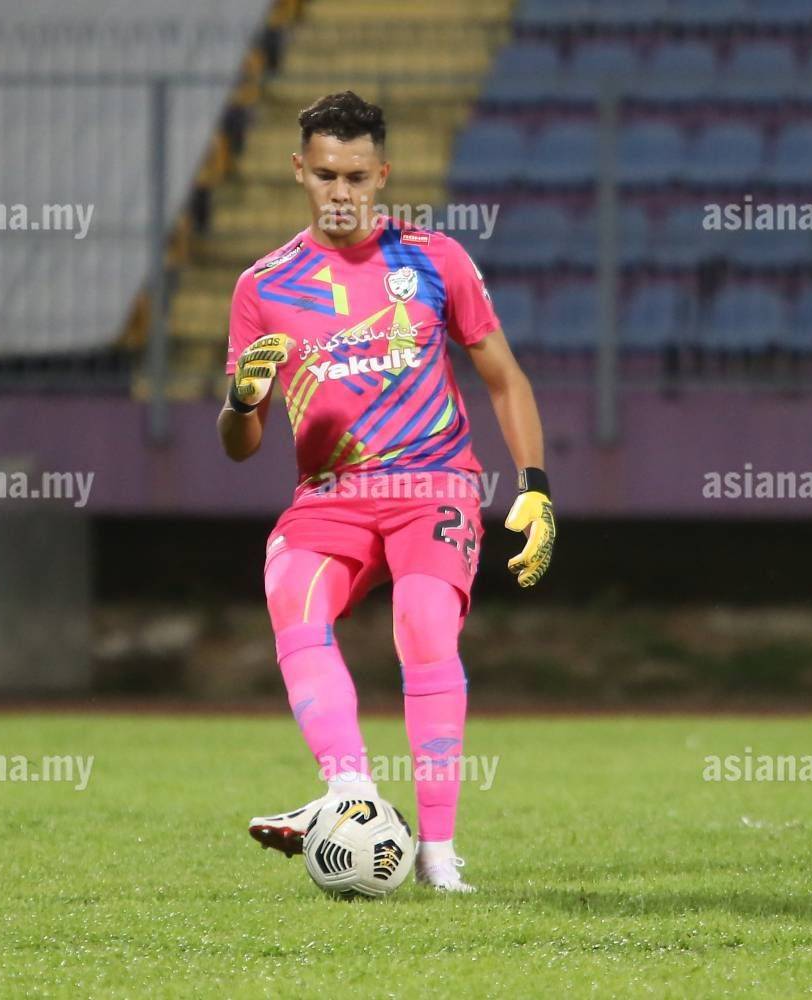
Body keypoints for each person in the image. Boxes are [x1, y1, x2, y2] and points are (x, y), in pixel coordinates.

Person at [217, 91, 555, 893]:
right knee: (289, 593)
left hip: (432, 484)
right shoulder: (262, 285)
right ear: (298, 170)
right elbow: (240, 445)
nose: (341, 191)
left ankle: (437, 854)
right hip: (329, 493)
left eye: (357, 176)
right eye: (325, 174)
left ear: (383, 175)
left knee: (425, 622)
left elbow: (504, 378)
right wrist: (239, 401)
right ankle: (351, 793)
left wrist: (536, 487)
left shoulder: (435, 260)